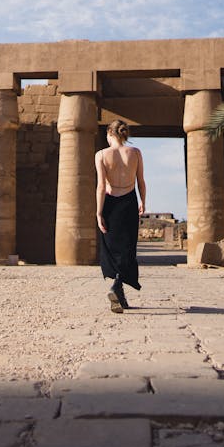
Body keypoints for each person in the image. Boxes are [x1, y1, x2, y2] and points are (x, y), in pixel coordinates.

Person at [95, 119, 146, 314]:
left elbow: (100, 186)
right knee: (127, 247)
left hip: (110, 203)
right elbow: (141, 180)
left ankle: (116, 286)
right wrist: (143, 201)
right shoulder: (135, 153)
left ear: (109, 133)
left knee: (110, 248)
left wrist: (99, 212)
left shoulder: (101, 154)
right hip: (129, 202)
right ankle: (120, 291)